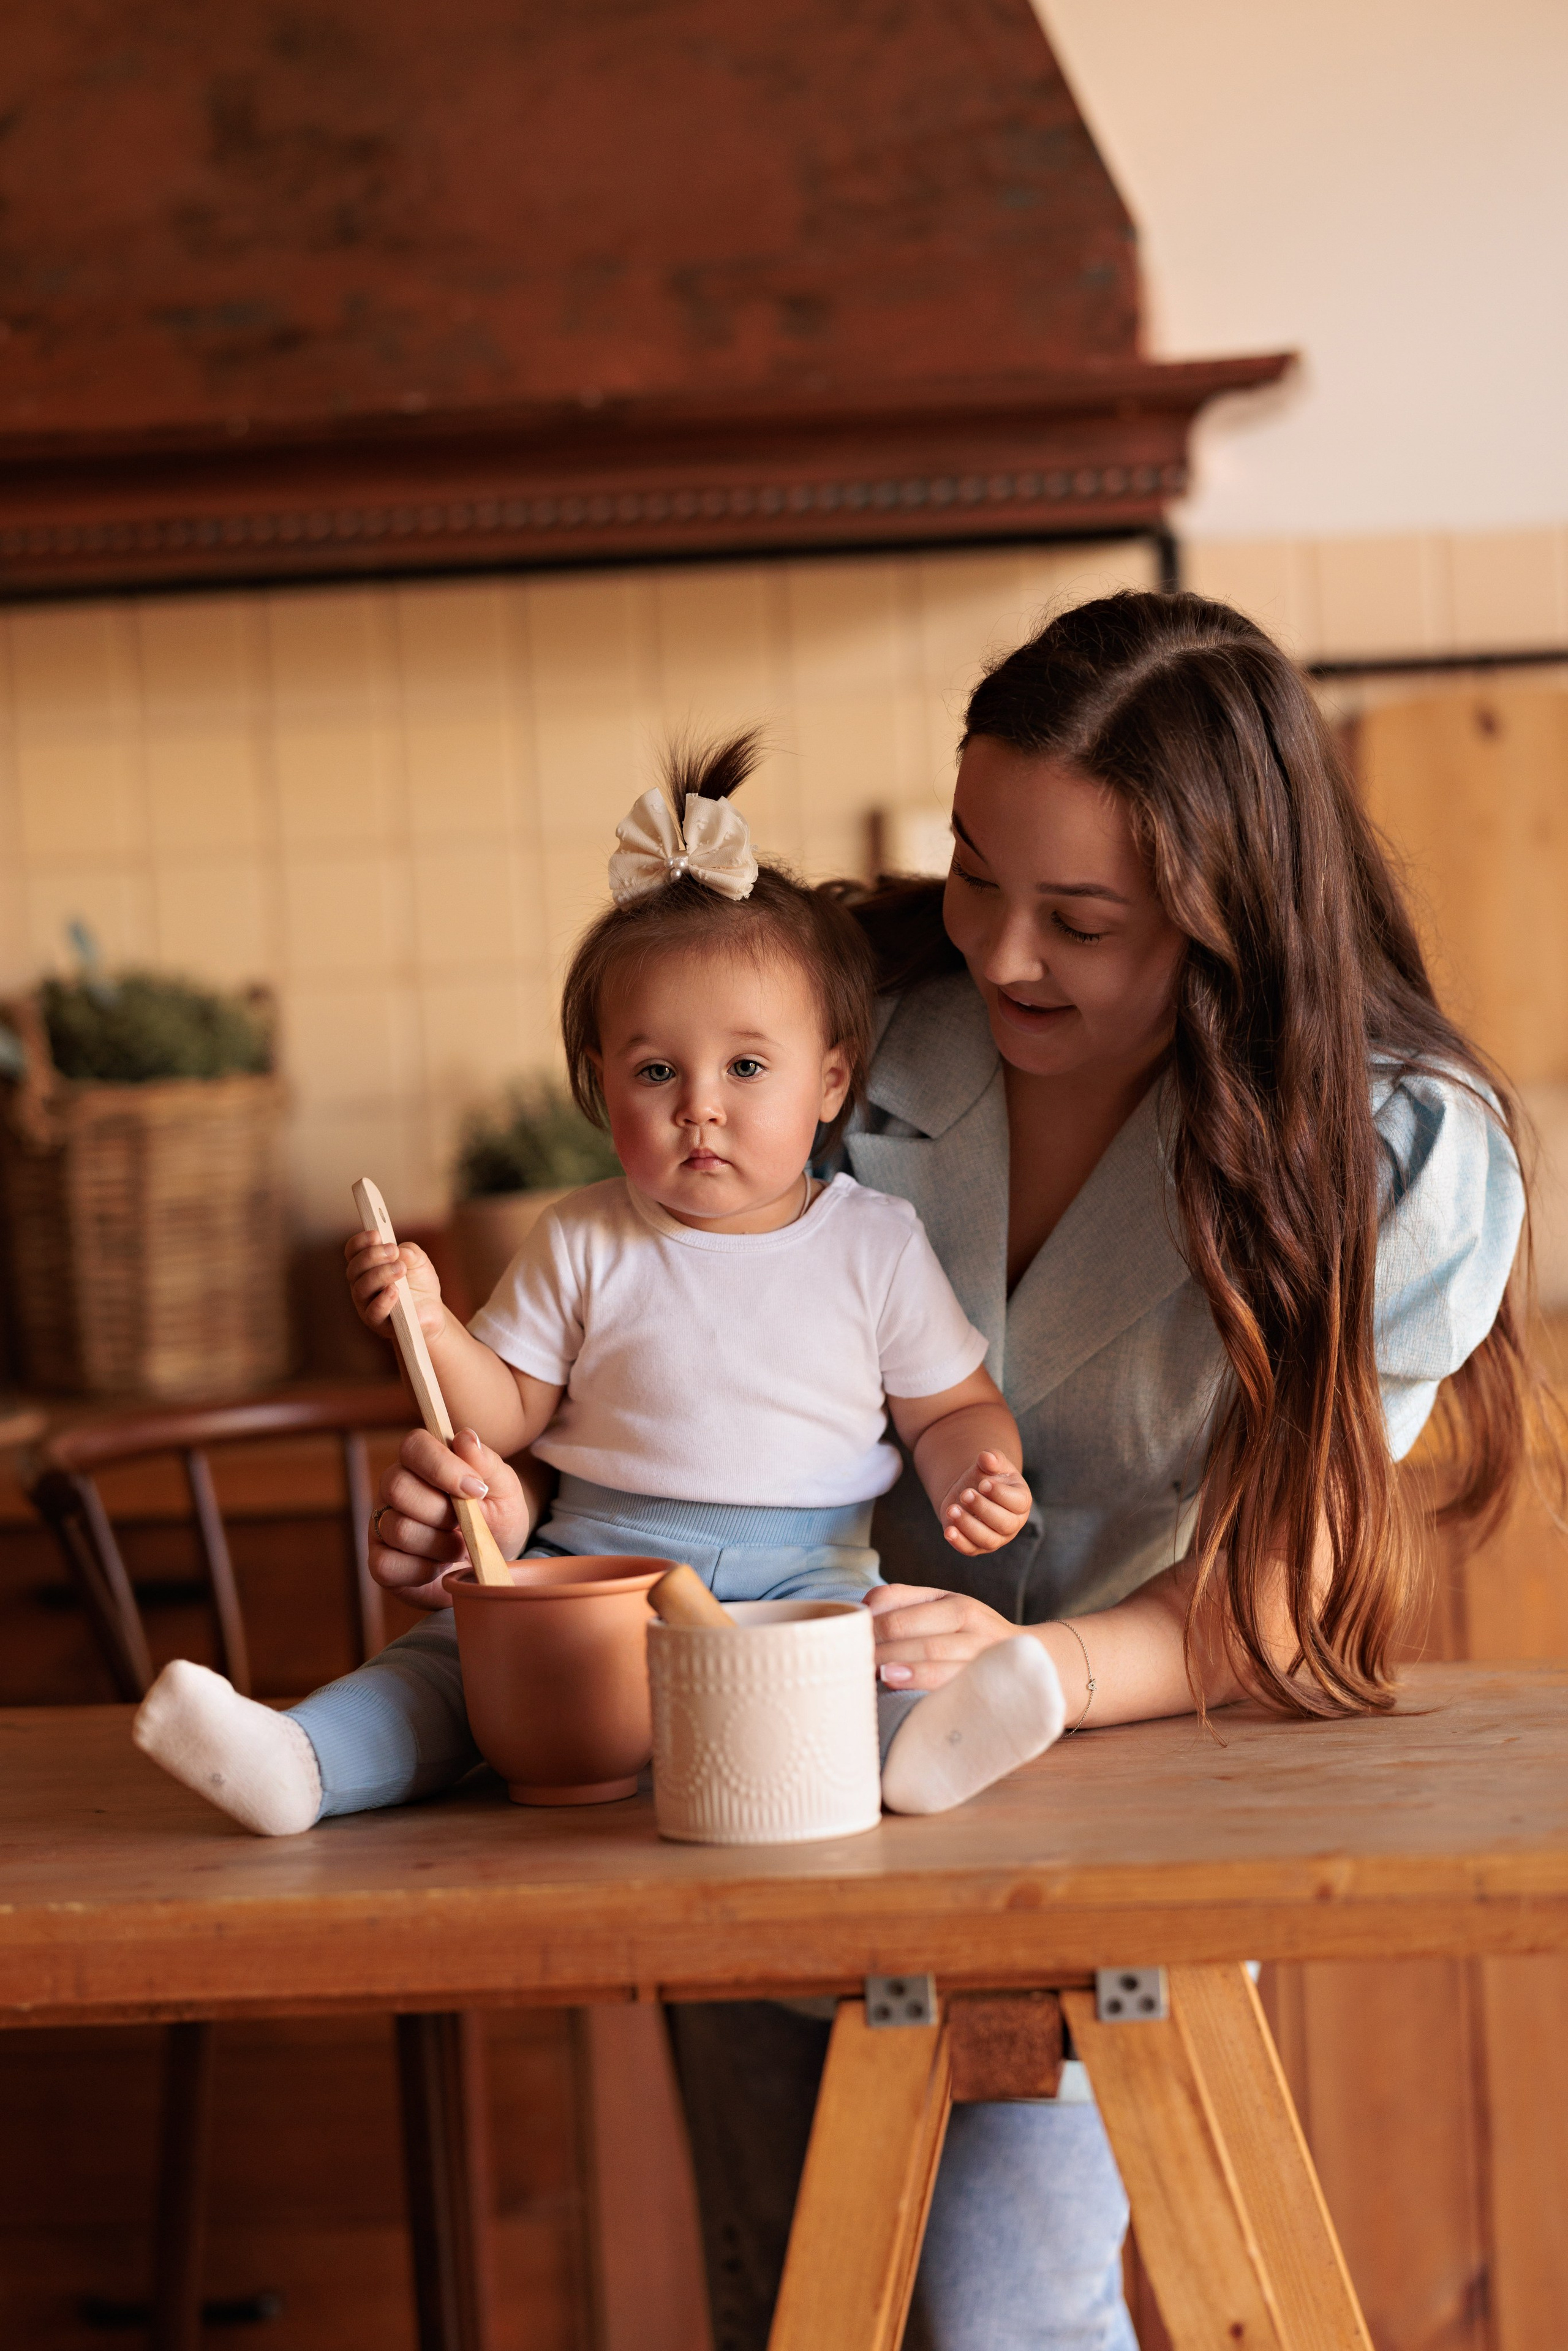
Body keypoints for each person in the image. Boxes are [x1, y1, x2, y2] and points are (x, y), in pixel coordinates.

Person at [335, 592, 1537, 2351]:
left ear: (1235, 910)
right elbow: (658, 1340)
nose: (1003, 952)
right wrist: (496, 1496)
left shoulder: (1390, 1147)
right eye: (978, 873)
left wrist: (1037, 1670)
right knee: (800, 2289)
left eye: (1084, 918)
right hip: (769, 1731)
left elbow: (1286, 1583)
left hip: (1120, 1759)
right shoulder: (852, 1014)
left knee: (1001, 2307)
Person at [132, 735, 1071, 1835]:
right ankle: (304, 1759)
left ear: (831, 1083)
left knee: (868, 1668)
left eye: (747, 1067)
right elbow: (505, 1410)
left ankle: (930, 1754)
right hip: (592, 1574)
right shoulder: (583, 1236)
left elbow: (951, 1406)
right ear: (600, 1086)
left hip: (798, 1588)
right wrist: (428, 1326)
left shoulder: (876, 1243)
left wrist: (979, 1469)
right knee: (444, 1664)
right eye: (655, 1070)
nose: (700, 1105)